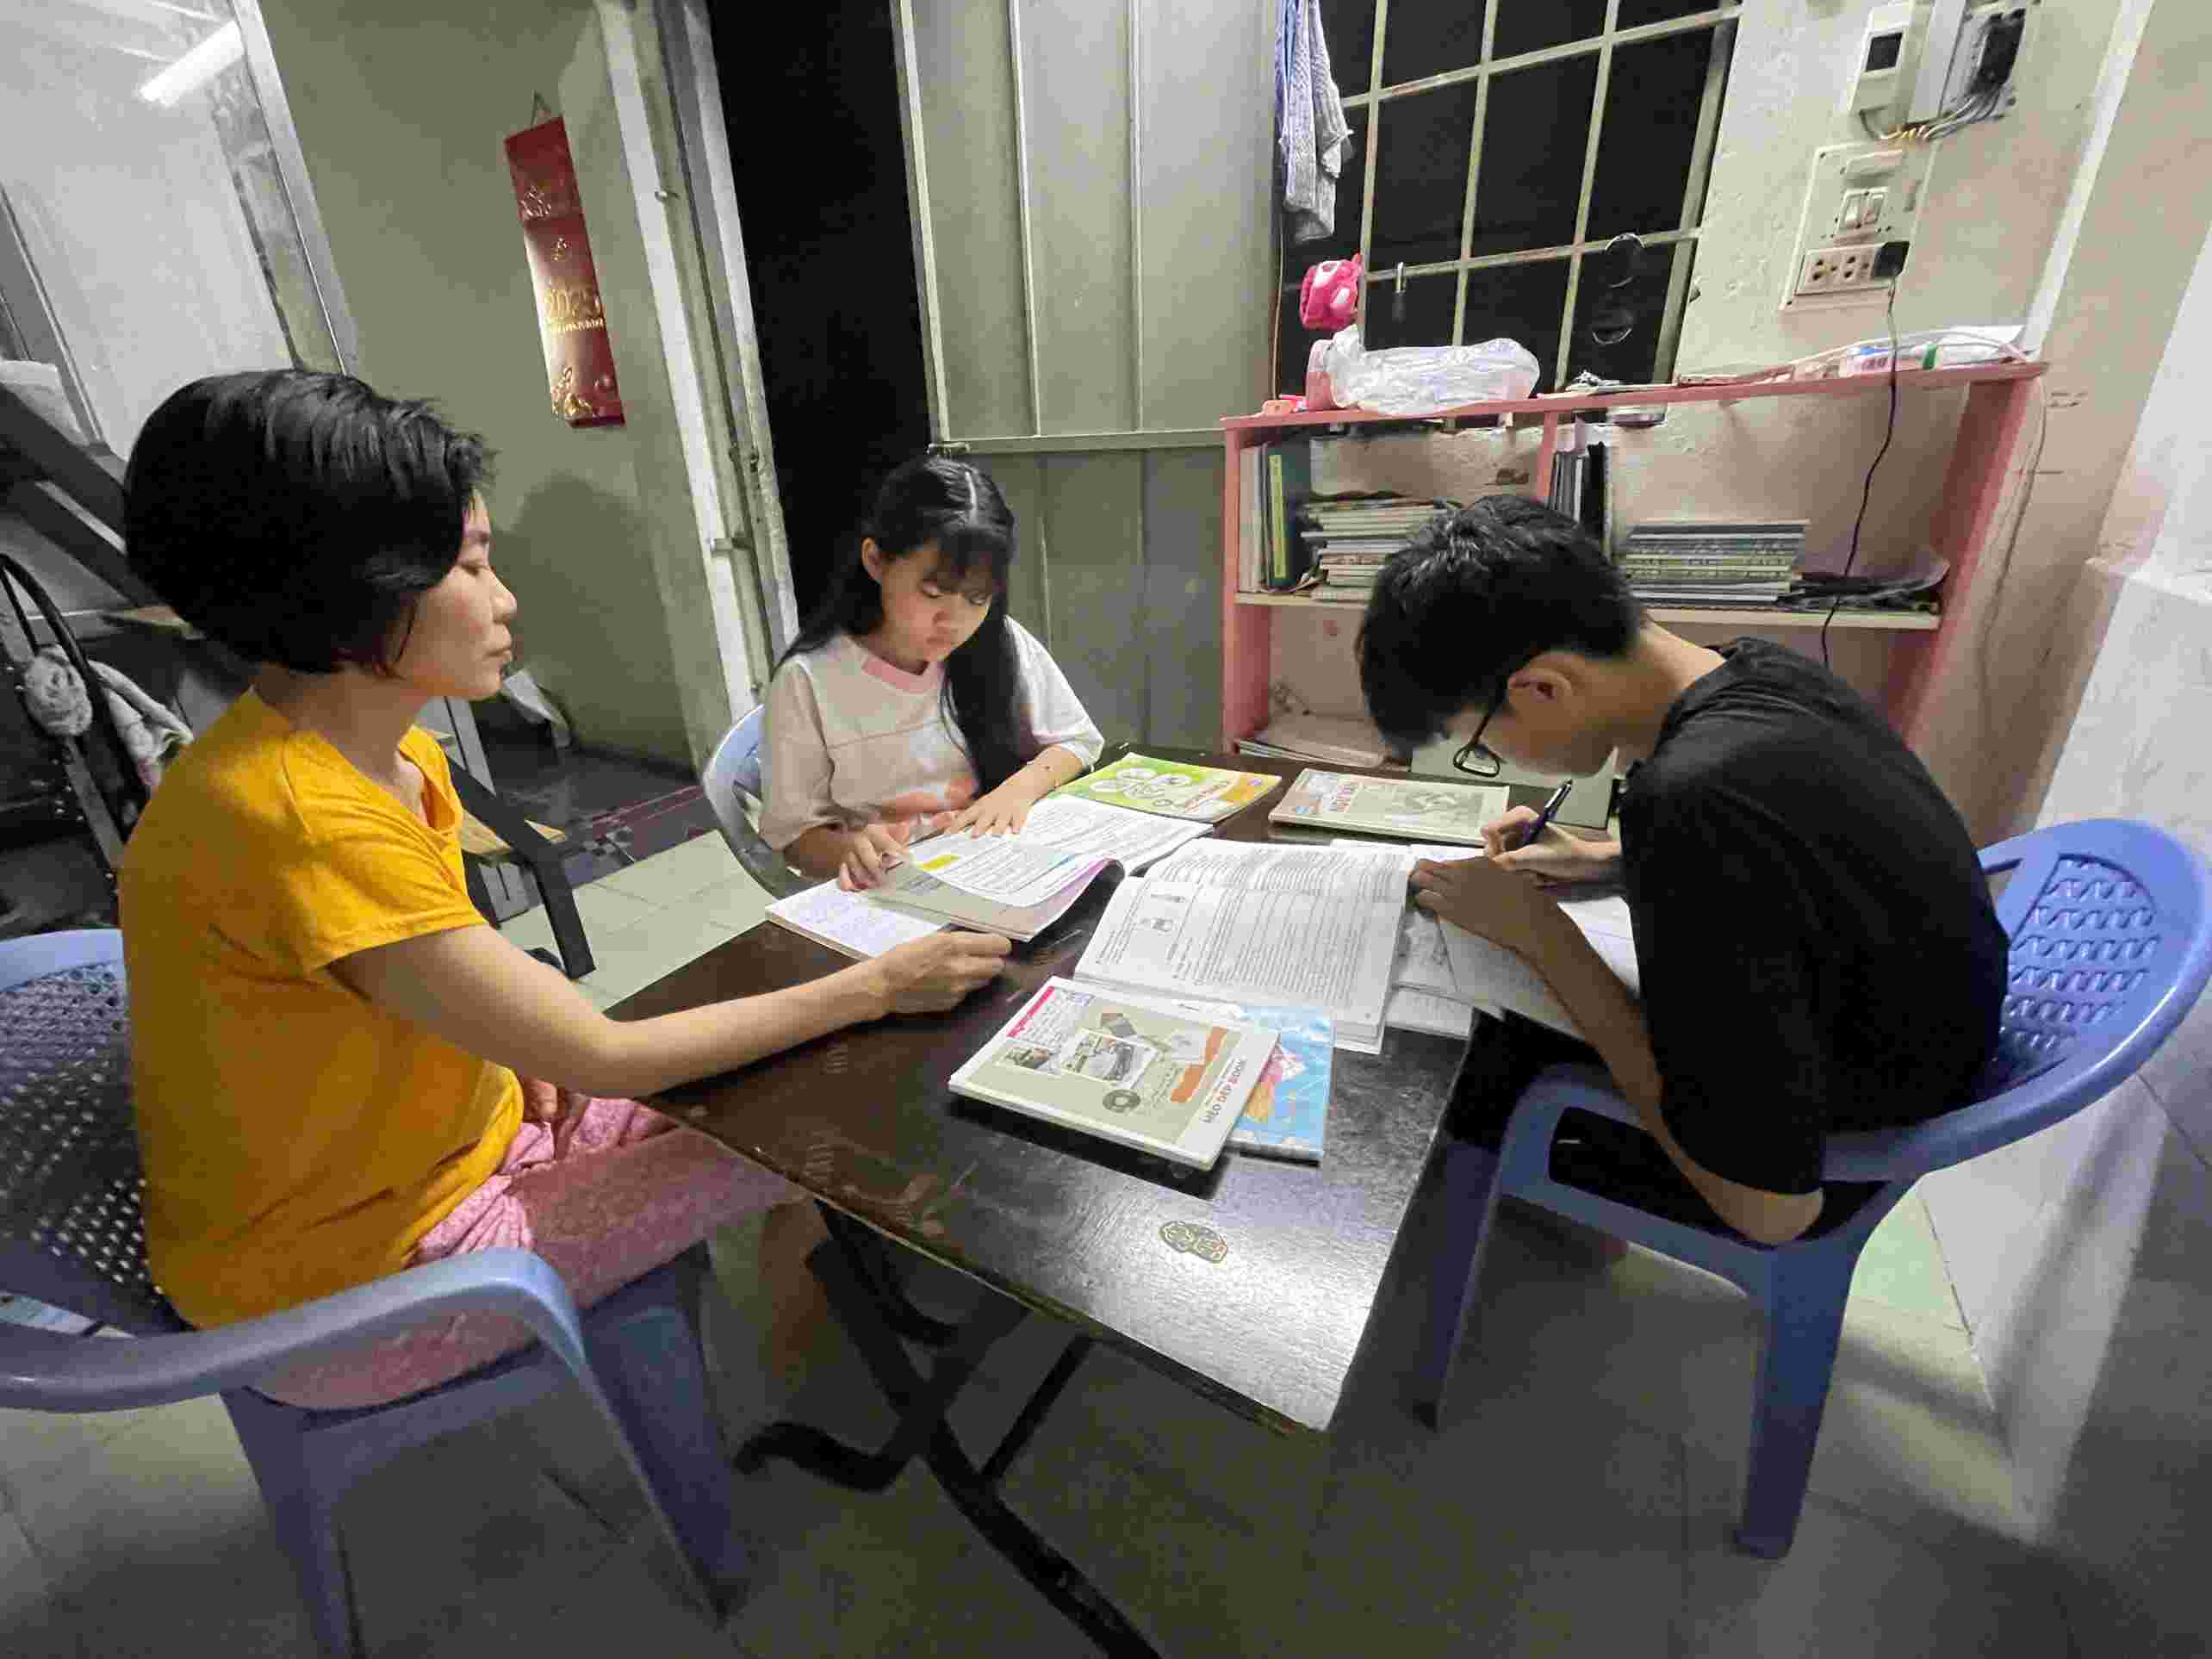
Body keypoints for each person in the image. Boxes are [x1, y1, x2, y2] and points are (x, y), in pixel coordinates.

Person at [118, 371, 1010, 1409]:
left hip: (445, 1147)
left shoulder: (387, 760)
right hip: (353, 1279)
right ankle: (793, 1407)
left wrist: (497, 1064)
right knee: (816, 1142)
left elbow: (410, 991)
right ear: (355, 584)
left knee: (784, 1079)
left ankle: (809, 1349)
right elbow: (603, 1054)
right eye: (470, 565)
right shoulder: (292, 815)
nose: (503, 602)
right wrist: (882, 984)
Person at [1358, 495, 2007, 1247]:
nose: (1497, 763)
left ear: (1541, 687)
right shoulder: (1756, 674)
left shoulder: (1694, 799)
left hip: (1840, 1156)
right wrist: (1605, 858)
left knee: (1425, 1072)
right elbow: (1797, 852)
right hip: (1907, 1037)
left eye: (1480, 743)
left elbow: (1768, 1211)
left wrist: (1545, 940)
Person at [759, 455, 1103, 891]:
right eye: (934, 593)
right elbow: (792, 835)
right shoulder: (809, 679)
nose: (954, 622)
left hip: (993, 864)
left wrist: (1018, 790)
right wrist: (847, 849)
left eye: (978, 599)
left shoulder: (999, 641)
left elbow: (1076, 740)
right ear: (876, 561)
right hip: (887, 888)